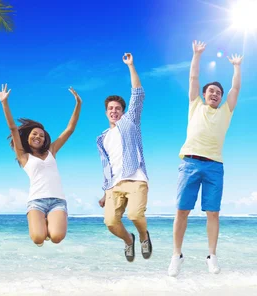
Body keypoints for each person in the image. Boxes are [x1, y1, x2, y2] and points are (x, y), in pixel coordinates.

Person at [168, 41, 243, 277]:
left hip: (214, 166)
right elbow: (193, 78)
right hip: (189, 162)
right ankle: (176, 255)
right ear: (203, 94)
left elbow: (235, 90)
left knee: (213, 212)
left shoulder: (225, 112)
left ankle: (211, 255)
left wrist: (237, 67)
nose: (215, 94)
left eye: (218, 93)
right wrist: (196, 54)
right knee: (182, 210)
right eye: (211, 91)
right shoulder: (195, 105)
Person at [0, 83, 81, 246]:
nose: (38, 137)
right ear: (28, 137)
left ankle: (50, 223)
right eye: (34, 134)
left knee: (56, 238)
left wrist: (78, 104)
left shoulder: (51, 151)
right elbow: (13, 128)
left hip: (57, 201)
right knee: (37, 239)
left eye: (41, 135)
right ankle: (43, 226)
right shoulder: (24, 156)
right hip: (36, 202)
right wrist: (4, 102)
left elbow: (69, 130)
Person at [97, 53, 152, 262]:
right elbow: (107, 167)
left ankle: (144, 236)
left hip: (136, 178)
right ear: (106, 112)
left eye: (117, 108)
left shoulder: (130, 122)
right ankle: (129, 240)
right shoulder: (102, 138)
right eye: (110, 109)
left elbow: (138, 94)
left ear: (123, 111)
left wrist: (130, 65)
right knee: (111, 222)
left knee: (135, 215)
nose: (114, 111)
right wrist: (105, 192)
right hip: (114, 185)